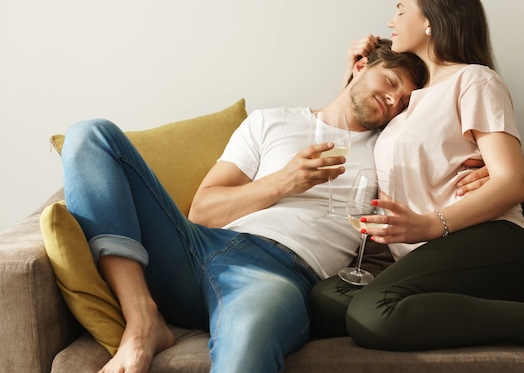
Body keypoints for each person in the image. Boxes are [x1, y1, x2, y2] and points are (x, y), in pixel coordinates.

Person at [61, 38, 489, 373]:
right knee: (90, 135)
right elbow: (203, 211)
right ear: (360, 67)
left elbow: (444, 182)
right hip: (196, 248)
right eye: (391, 83)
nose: (394, 100)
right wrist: (285, 181)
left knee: (249, 336)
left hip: (278, 275)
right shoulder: (270, 121)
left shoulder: (392, 148)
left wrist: (484, 168)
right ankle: (142, 318)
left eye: (404, 100)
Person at [310, 0, 524, 351]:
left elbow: (513, 182)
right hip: (425, 260)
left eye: (400, 9)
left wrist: (428, 224)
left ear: (430, 20)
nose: (391, 21)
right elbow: (346, 123)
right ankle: (433, 307)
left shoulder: (474, 80)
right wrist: (353, 68)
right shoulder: (408, 98)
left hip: (489, 243)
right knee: (324, 301)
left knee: (371, 314)